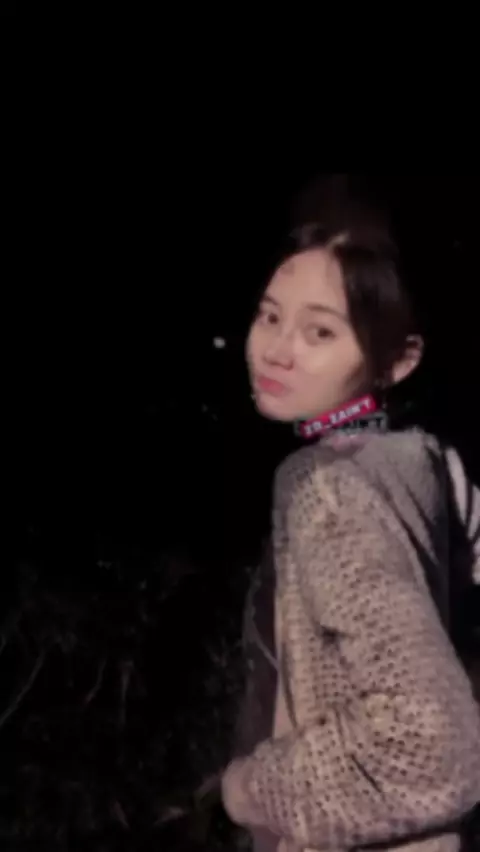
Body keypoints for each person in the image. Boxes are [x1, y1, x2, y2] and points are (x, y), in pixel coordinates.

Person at [220, 198, 480, 852]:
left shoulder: (330, 485)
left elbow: (434, 749)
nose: (276, 350)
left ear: (398, 361)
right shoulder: (421, 462)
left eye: (320, 333)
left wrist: (247, 789)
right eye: (269, 316)